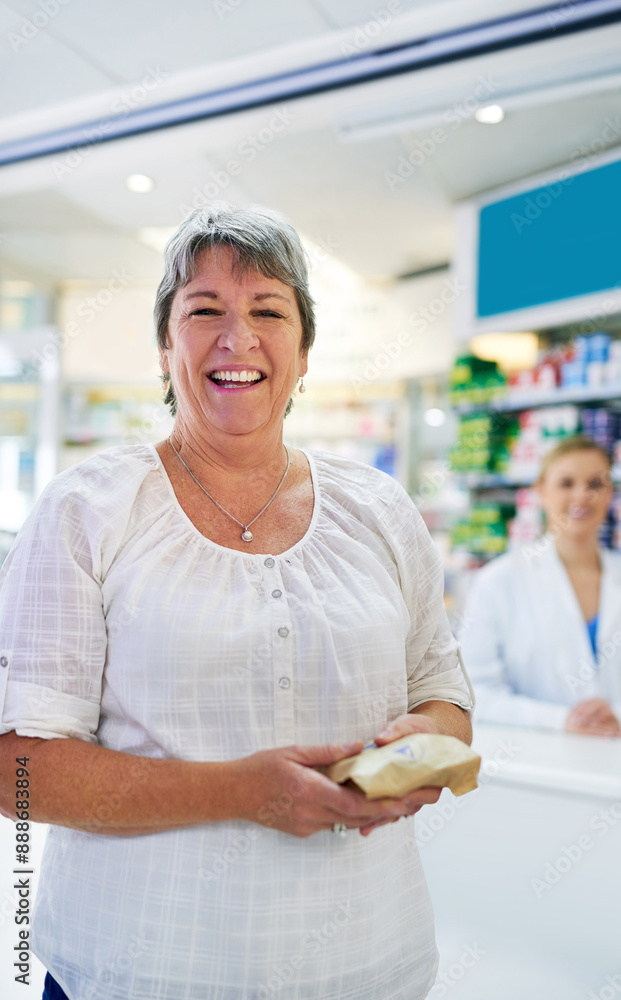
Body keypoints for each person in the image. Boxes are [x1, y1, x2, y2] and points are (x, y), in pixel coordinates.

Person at [0, 204, 474, 1000]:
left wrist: (415, 747)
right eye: (204, 311)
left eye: (267, 311)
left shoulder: (380, 508)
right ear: (164, 346)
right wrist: (240, 791)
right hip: (142, 972)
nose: (238, 338)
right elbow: (18, 770)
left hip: (366, 967)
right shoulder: (87, 510)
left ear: (304, 348)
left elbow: (446, 698)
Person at [460, 435, 621, 736]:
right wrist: (561, 720)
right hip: (537, 771)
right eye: (566, 483)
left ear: (611, 494)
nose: (582, 496)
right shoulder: (497, 583)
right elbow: (474, 696)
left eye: (595, 484)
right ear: (541, 492)